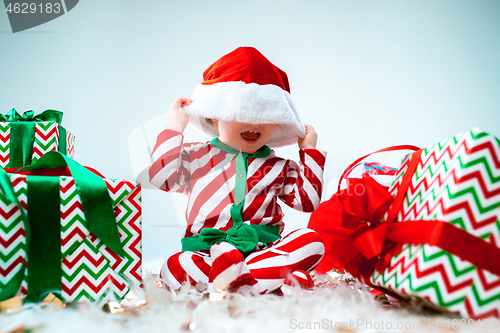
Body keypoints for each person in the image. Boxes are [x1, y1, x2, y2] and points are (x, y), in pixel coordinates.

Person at [149, 47, 326, 294]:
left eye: (265, 114)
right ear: (214, 116)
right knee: (175, 264)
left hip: (263, 252)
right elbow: (161, 178)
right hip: (206, 253)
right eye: (241, 113)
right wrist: (175, 124)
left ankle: (243, 279)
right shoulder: (196, 157)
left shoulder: (278, 167)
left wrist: (308, 150)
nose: (253, 122)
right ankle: (265, 282)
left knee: (312, 241)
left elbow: (307, 202)